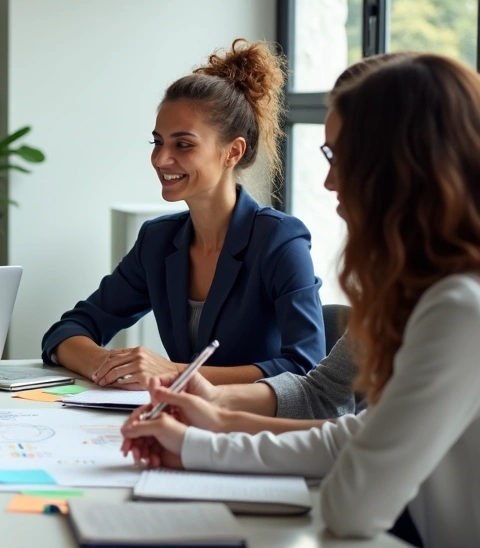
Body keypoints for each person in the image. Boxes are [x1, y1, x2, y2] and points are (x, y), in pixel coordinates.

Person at [120, 53, 480, 547]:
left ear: (399, 165)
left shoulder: (461, 308)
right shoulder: (426, 289)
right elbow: (352, 436)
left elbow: (351, 504)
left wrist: (210, 426)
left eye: (338, 157)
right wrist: (207, 434)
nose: (329, 181)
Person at [42, 39, 325, 389]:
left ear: (232, 152)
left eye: (183, 144)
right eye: (157, 142)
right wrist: (111, 365)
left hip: (254, 432)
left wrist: (173, 373)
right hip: (179, 425)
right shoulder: (158, 241)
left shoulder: (279, 240)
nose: (161, 159)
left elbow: (305, 367)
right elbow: (67, 332)